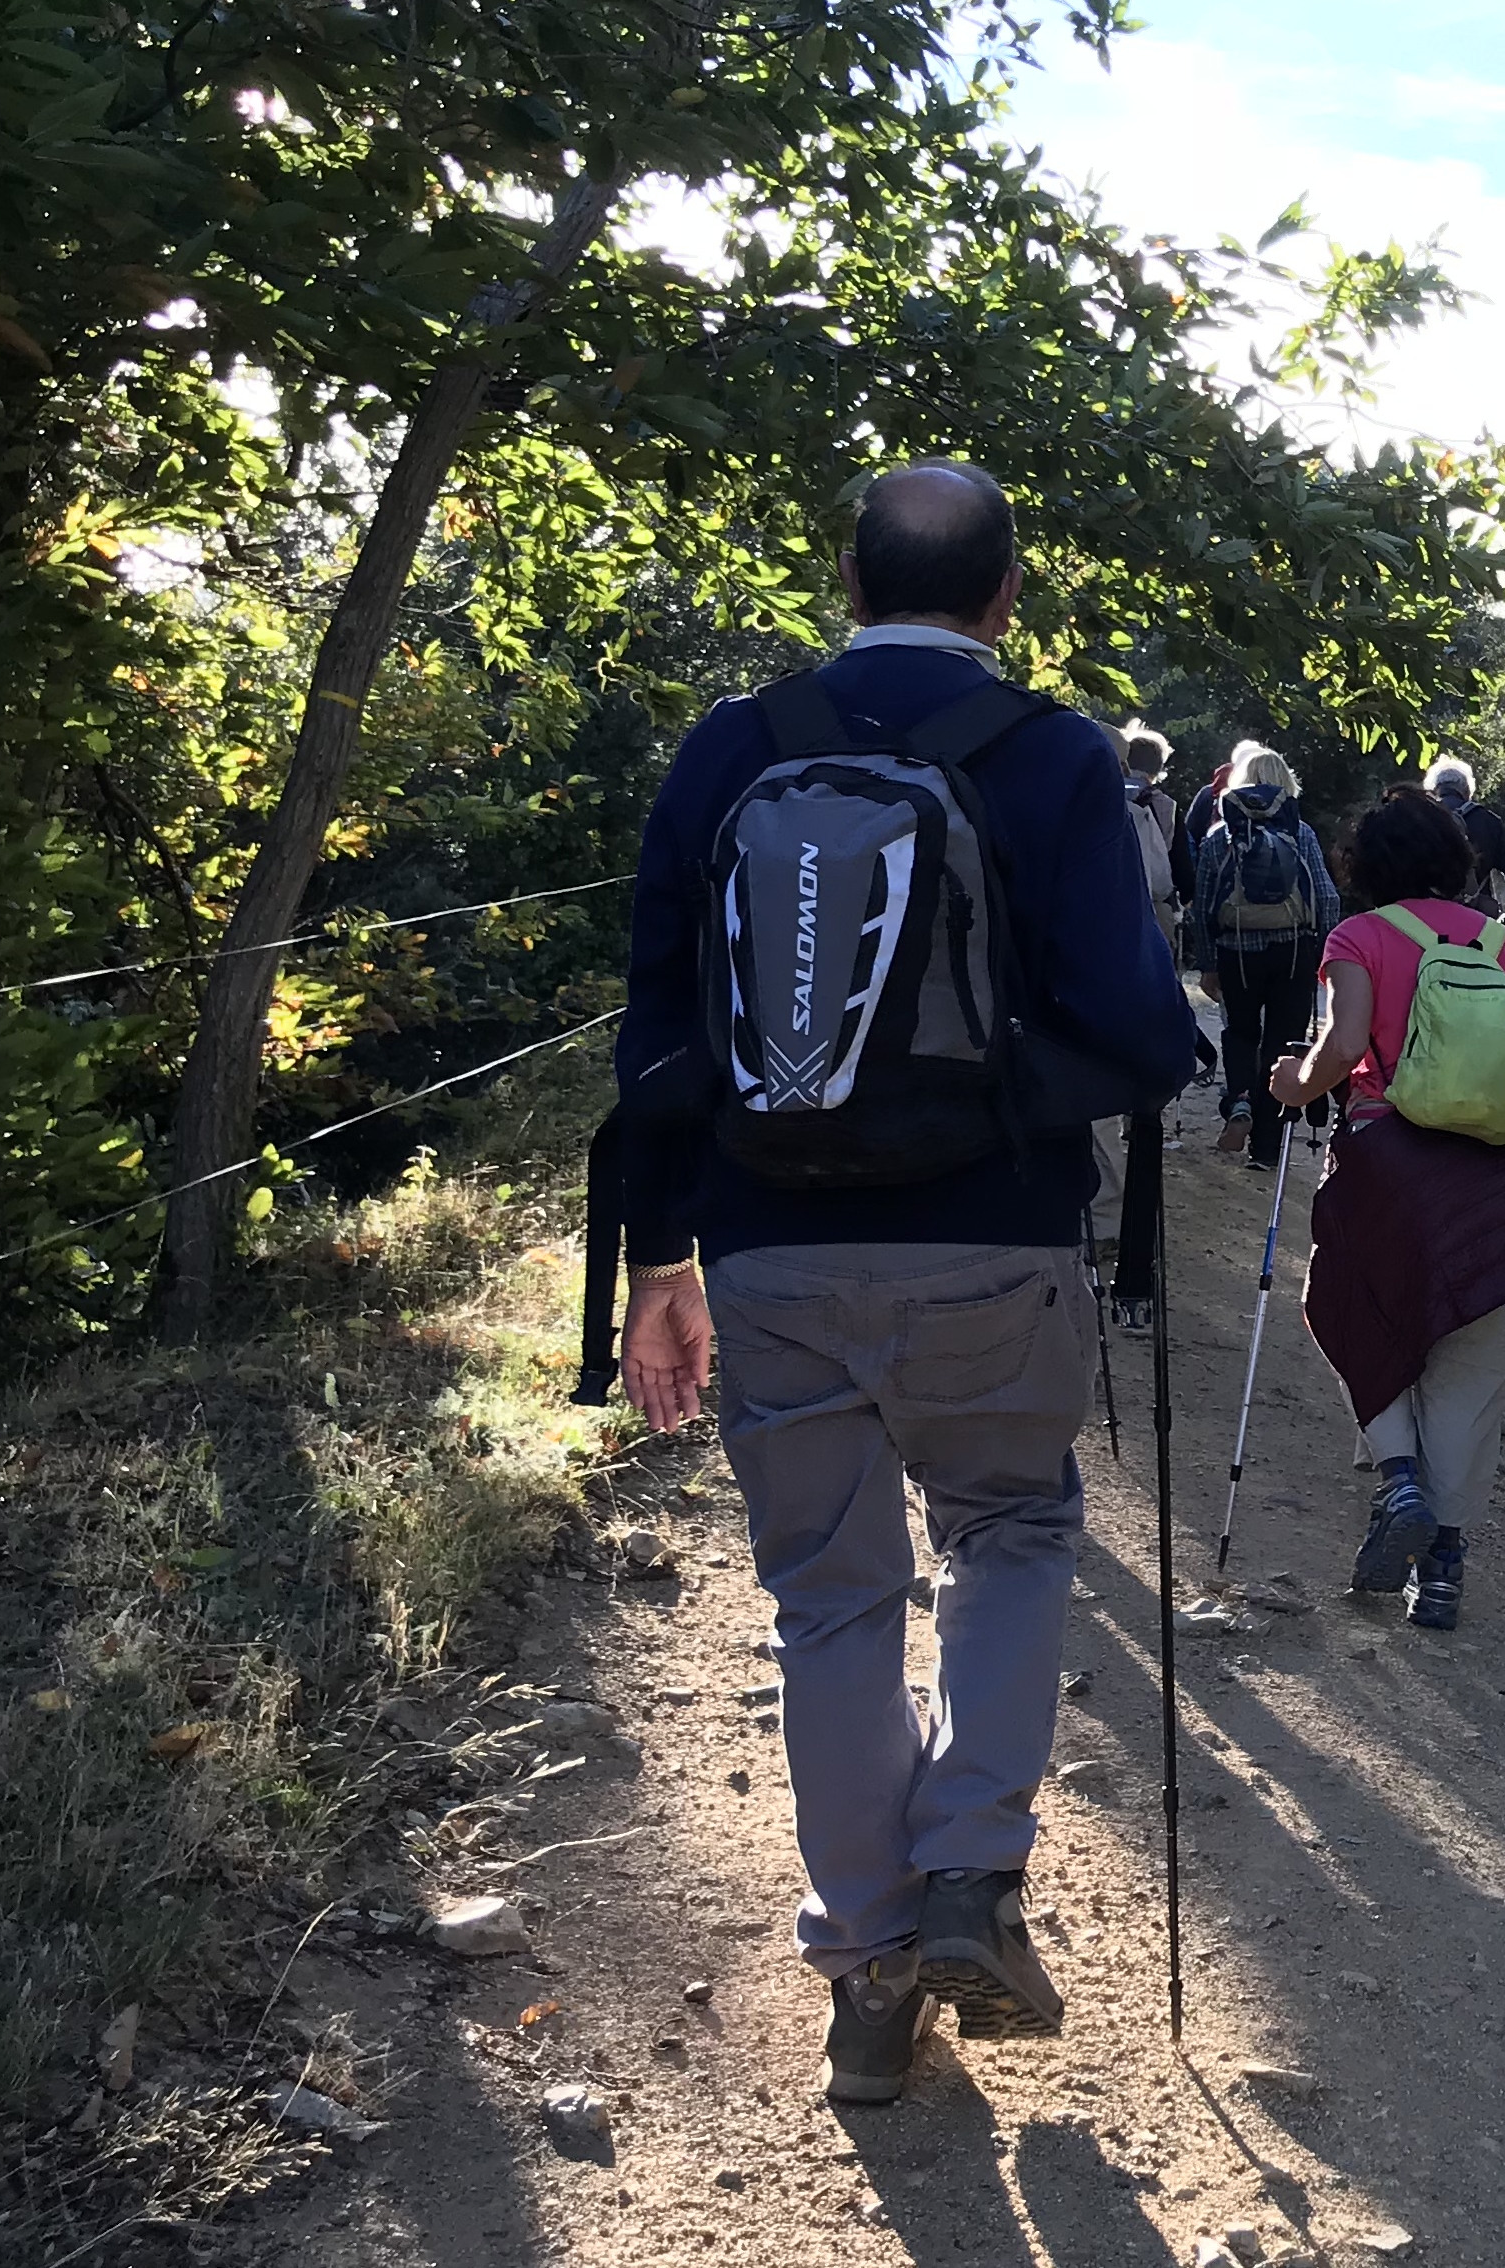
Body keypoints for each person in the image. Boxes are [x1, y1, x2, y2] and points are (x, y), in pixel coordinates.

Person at [610, 461, 1196, 2104]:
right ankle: (968, 1874)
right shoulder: (1059, 757)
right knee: (1008, 1528)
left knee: (830, 1596)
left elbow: (657, 1038)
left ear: (845, 580)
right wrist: (995, 1097)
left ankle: (867, 1972)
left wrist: (664, 1257)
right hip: (993, 1243)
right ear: (1008, 597)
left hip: (767, 1242)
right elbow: (1146, 1041)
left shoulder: (732, 747)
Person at [1267, 791, 1505, 1631]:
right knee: (1473, 1372)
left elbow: (1343, 1050)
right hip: (1495, 1179)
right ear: (1461, 860)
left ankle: (1399, 1481)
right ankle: (1443, 1571)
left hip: (1386, 1169)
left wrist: (1290, 1086)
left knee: (1352, 1312)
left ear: (1364, 866)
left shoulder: (1359, 939)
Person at [1187, 742, 1339, 1170]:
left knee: (1239, 1033)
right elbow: (1326, 898)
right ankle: (1267, 1149)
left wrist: (1208, 962)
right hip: (1293, 951)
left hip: (1237, 950)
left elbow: (1202, 905)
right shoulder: (1301, 833)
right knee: (1282, 1044)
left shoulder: (1221, 834)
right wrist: (1324, 952)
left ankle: (1239, 1105)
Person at [1117, 720, 1220, 1091]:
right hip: (1152, 911)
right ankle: (1147, 1091)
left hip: (1101, 910)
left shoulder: (1095, 792)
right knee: (1156, 1000)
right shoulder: (1164, 806)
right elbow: (1180, 876)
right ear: (1158, 768)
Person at [1426, 757, 1505, 930]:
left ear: (1434, 790)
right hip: (1477, 929)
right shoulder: (1490, 822)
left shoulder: (1416, 819)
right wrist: (1503, 930)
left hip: (1424, 930)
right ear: (1467, 790)